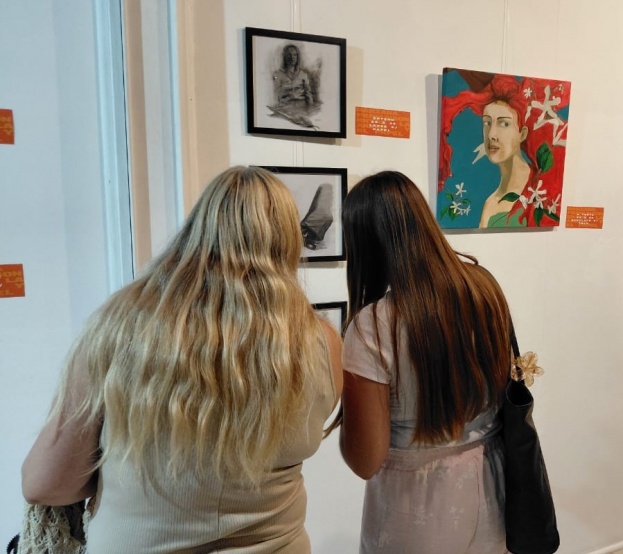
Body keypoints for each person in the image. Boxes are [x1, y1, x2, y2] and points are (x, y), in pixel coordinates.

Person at [21, 166, 343, 552]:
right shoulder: (322, 343)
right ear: (288, 241)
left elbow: (45, 484)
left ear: (197, 228)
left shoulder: (121, 327)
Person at [335, 171, 513, 553]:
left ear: (363, 243)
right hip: (491, 486)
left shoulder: (373, 326)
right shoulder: (484, 289)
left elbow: (365, 460)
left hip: (415, 502)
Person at [438, 71, 568, 228]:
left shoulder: (544, 187)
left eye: (504, 123)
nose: (491, 134)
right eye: (487, 123)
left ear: (522, 133)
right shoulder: (490, 207)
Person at [268, 43, 319, 129]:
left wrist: (309, 109)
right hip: (286, 110)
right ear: (284, 57)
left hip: (302, 109)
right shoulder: (277, 74)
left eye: (294, 55)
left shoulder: (303, 74)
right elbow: (276, 96)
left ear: (297, 57)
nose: (292, 58)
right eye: (289, 55)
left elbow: (309, 96)